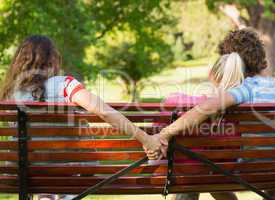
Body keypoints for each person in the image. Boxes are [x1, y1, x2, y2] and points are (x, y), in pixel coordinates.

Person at [146, 28, 275, 200]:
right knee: (274, 160)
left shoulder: (245, 89)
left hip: (248, 171)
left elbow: (206, 107)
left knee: (205, 167)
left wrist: (164, 133)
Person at [0, 35, 160, 200]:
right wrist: (145, 138)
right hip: (66, 174)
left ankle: (46, 195)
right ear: (52, 60)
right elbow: (104, 111)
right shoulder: (64, 85)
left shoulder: (10, 93)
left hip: (22, 174)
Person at [161, 53, 244, 200]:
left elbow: (169, 102)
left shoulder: (193, 104)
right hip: (225, 174)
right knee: (209, 175)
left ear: (211, 74)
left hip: (189, 174)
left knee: (192, 173)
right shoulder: (243, 108)